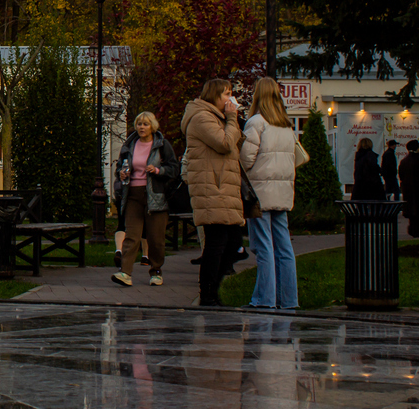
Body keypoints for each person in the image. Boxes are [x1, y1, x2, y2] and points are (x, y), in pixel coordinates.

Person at [181, 78, 244, 307]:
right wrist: (232, 118)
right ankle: (208, 293)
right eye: (226, 94)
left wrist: (231, 121)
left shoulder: (215, 117)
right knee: (217, 243)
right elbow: (225, 143)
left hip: (222, 187)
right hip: (212, 188)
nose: (230, 98)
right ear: (214, 95)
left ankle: (213, 291)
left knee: (232, 241)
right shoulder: (201, 117)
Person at [239, 77, 299, 310]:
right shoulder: (285, 125)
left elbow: (246, 159)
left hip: (260, 194)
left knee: (263, 247)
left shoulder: (256, 122)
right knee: (284, 248)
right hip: (282, 193)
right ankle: (289, 299)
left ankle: (265, 299)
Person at [111, 112, 180, 288]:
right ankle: (125, 272)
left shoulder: (161, 145)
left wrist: (158, 170)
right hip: (133, 194)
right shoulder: (129, 145)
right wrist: (121, 172)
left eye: (146, 124)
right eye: (139, 124)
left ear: (153, 126)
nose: (142, 127)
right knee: (131, 235)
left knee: (155, 238)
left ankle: (156, 271)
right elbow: (120, 165)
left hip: (155, 196)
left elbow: (173, 168)